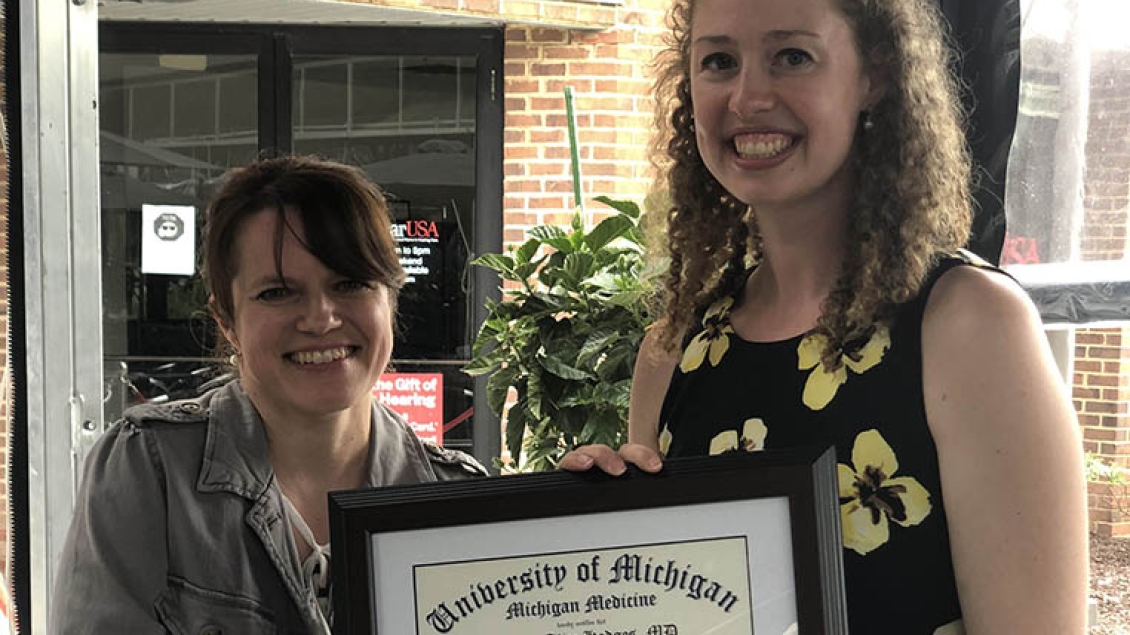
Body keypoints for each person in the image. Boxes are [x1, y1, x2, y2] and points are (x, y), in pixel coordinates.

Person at [560, 0, 1089, 632]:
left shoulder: (971, 328)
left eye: (792, 56)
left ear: (876, 76)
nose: (749, 97)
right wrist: (592, 541)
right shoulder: (671, 352)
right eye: (719, 61)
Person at [51, 155, 486, 634]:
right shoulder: (150, 471)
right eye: (278, 292)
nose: (321, 318)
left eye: (351, 283)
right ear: (227, 321)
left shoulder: (454, 498)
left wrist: (581, 517)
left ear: (390, 300)